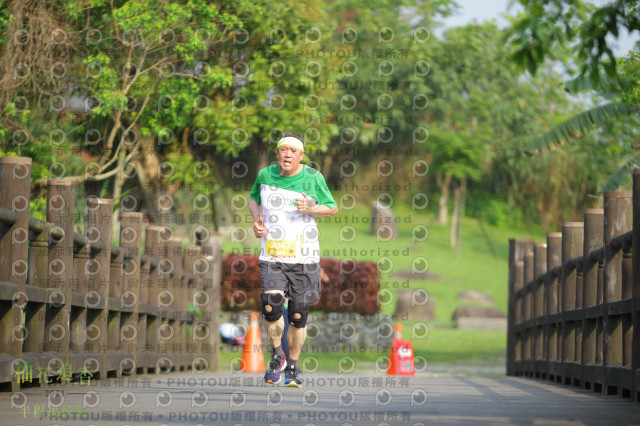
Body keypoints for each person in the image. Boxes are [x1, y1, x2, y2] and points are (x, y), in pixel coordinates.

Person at [248, 131, 338, 387]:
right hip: (272, 256)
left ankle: (294, 366)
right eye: (282, 149)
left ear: (301, 155)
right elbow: (253, 198)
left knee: (298, 316)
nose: (287, 154)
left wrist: (312, 208)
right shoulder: (265, 175)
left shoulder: (313, 177)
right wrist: (256, 219)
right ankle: (278, 355)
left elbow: (332, 207)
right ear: (277, 153)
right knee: (271, 305)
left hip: (304, 257)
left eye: (293, 150)